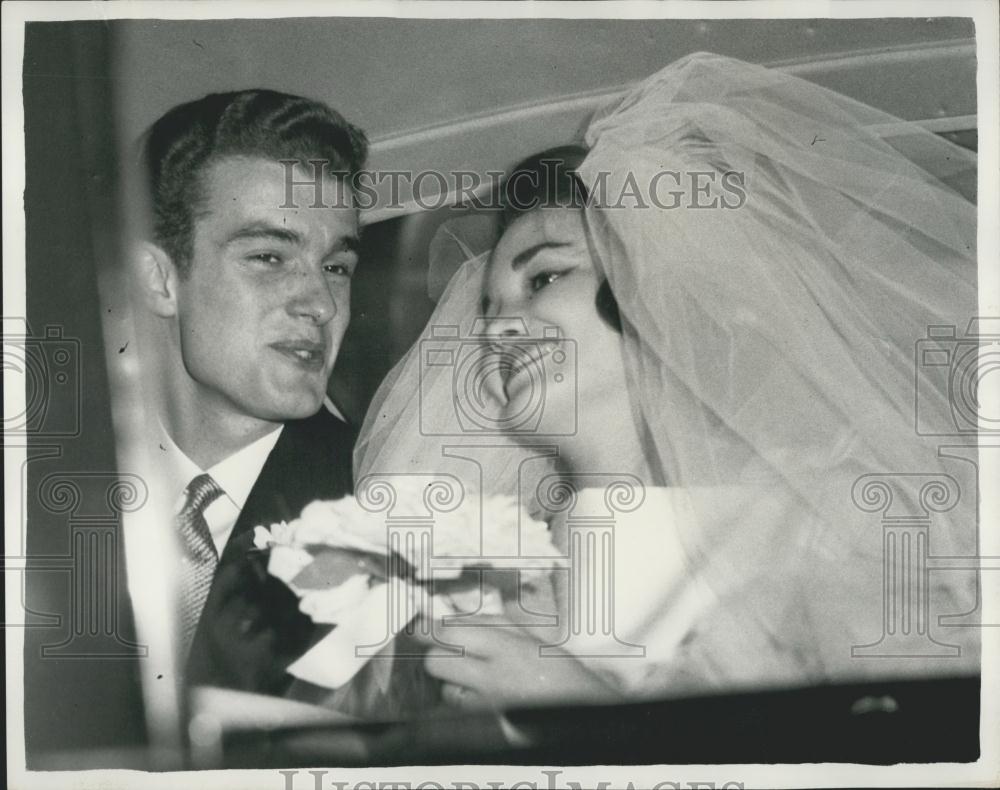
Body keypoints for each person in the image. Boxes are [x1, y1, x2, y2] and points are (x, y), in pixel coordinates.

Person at [355, 52, 981, 710]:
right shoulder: (496, 562)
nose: (498, 329)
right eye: (489, 308)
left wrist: (582, 710)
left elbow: (913, 747)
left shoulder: (824, 509)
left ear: (655, 288)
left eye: (543, 278)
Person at [133, 89, 366, 694]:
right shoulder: (41, 484)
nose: (319, 303)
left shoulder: (381, 498)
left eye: (337, 267)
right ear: (159, 281)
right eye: (269, 256)